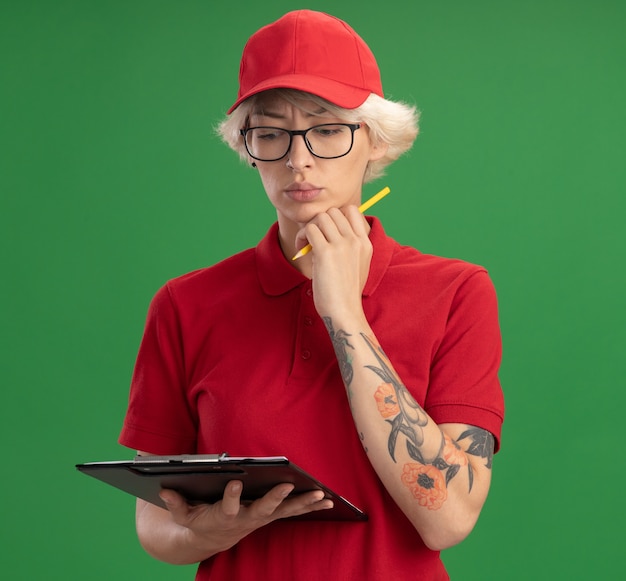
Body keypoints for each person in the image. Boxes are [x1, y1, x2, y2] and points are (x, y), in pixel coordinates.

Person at [119, 9, 505, 581]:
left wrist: (343, 312)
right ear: (248, 148)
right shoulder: (184, 304)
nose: (299, 159)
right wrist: (202, 533)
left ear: (373, 142)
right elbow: (155, 523)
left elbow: (447, 518)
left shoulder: (456, 292)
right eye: (271, 133)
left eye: (327, 130)